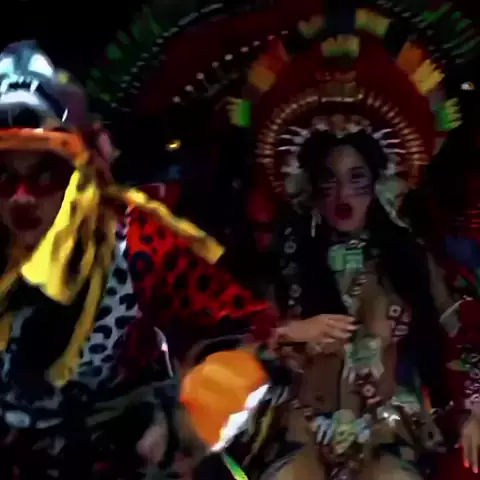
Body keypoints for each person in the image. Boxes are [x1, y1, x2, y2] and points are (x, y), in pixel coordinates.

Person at [0, 41, 277, 479]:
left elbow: (250, 330)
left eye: (45, 174)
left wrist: (183, 424)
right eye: (4, 177)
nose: (22, 198)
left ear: (81, 170)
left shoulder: (132, 242)